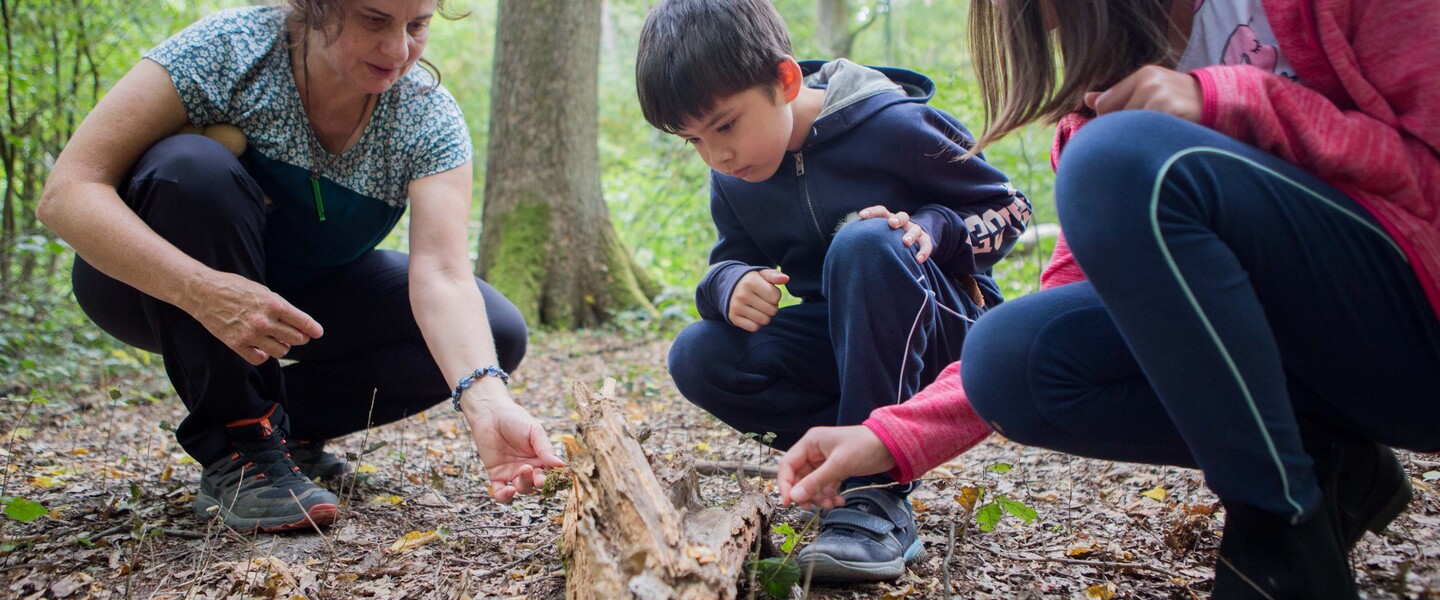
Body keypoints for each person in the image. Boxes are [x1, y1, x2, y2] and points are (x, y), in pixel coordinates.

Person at [781, 0, 1440, 597]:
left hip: (1414, 337)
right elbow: (1075, 295)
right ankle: (1328, 467)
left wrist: (1221, 100)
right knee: (1010, 358)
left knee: (1119, 160)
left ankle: (1279, 540)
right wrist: (886, 437)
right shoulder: (1110, 91)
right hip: (1319, 374)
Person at [36, 0, 564, 534]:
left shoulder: (425, 116)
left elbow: (444, 276)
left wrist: (487, 405)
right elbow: (67, 193)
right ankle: (239, 444)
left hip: (303, 297)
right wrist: (201, 290)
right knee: (191, 168)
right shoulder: (231, 49)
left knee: (496, 330)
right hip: (152, 285)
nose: (399, 49)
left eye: (418, 25)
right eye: (374, 20)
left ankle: (284, 432)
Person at [635, 0, 1031, 584]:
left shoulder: (893, 126)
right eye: (692, 140)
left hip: (949, 332)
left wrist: (934, 227)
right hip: (847, 348)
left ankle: (874, 496)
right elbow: (729, 261)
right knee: (699, 355)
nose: (716, 155)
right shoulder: (733, 178)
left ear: (786, 80)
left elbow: (1009, 208)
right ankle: (848, 459)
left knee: (866, 243)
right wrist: (730, 285)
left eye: (724, 125)